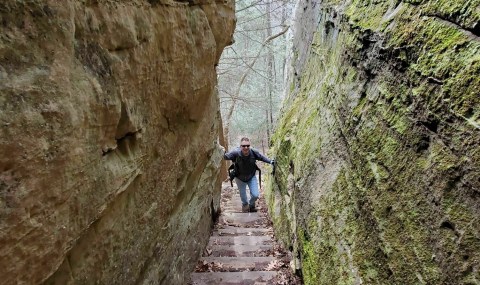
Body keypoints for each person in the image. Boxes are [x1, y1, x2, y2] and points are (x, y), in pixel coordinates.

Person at [223, 137, 274, 212]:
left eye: (248, 145)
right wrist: (221, 150)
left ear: (250, 146)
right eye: (243, 146)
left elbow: (262, 157)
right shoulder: (236, 153)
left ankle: (251, 205)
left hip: (251, 176)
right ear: (240, 146)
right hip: (239, 177)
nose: (246, 147)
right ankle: (245, 205)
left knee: (255, 195)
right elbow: (226, 156)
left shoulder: (253, 152)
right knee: (243, 197)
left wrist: (270, 161)